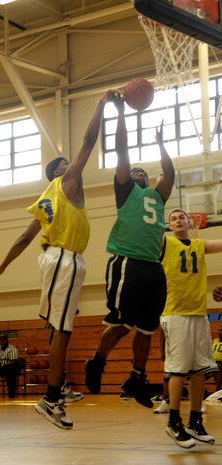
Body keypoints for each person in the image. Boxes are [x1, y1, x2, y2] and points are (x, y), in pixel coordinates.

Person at [0, 90, 113, 429]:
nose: (74, 163)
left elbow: (25, 237)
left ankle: (55, 394)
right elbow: (88, 141)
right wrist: (99, 105)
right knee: (62, 329)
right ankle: (52, 395)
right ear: (59, 173)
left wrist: (2, 266)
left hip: (63, 262)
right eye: (66, 163)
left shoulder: (48, 199)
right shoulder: (65, 183)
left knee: (62, 330)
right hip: (63, 260)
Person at [85, 93, 175, 408]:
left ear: (148, 179)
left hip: (152, 267)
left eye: (142, 171)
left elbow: (170, 175)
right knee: (122, 322)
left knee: (148, 327)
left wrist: (162, 144)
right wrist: (121, 113)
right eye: (133, 171)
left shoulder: (157, 197)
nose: (137, 172)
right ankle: (97, 360)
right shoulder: (125, 192)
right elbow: (122, 149)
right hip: (126, 263)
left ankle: (137, 377)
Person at [160, 208, 222, 449]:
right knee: (177, 369)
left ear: (190, 222)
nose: (177, 221)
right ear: (169, 225)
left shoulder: (199, 245)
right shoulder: (165, 244)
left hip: (198, 314)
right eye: (173, 218)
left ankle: (195, 420)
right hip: (175, 313)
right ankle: (174, 421)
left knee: (200, 369)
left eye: (181, 217)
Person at [0, 334, 19, 399]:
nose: (3, 341)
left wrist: (3, 365)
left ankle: (11, 394)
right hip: (0, 368)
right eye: (1, 340)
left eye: (4, 340)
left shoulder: (12, 348)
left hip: (10, 368)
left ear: (7, 340)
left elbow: (14, 361)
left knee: (10, 370)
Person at [211, 322, 222, 392]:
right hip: (212, 362)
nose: (220, 332)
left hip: (220, 363)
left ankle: (218, 387)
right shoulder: (215, 340)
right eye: (220, 330)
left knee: (218, 367)